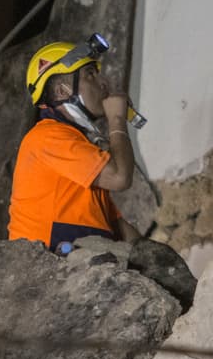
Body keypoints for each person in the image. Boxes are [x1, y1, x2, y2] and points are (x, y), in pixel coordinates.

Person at [8, 37, 141, 251]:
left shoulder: (79, 147)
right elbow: (120, 177)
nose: (103, 83)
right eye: (90, 74)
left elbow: (116, 225)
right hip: (43, 266)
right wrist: (116, 120)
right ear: (62, 91)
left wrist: (151, 255)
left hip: (80, 261)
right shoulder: (46, 137)